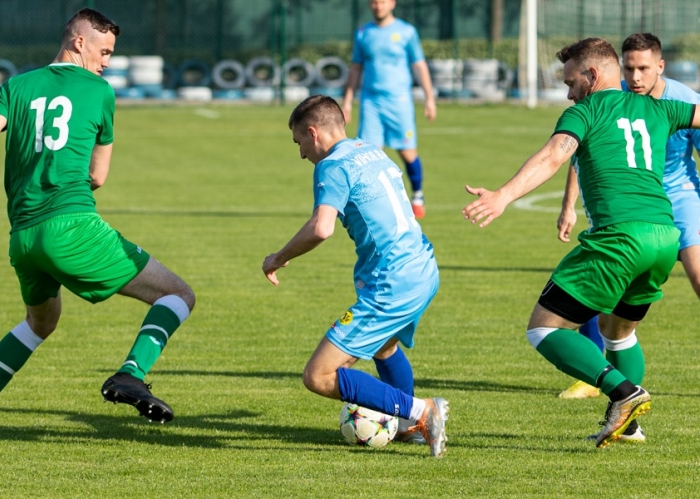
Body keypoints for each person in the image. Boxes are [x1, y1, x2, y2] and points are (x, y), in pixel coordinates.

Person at [0, 8, 195, 437]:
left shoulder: (16, 85)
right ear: (78, 42)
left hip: (23, 239)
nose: (107, 62)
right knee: (177, 294)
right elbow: (98, 176)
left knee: (40, 323)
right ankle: (130, 373)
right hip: (71, 226)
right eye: (104, 51)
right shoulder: (100, 91)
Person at [461, 37, 700, 448]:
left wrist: (503, 194)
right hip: (664, 237)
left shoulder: (585, 111)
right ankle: (628, 425)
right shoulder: (660, 107)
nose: (568, 92)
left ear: (592, 75)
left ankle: (624, 393)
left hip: (619, 238)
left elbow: (554, 155)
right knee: (618, 331)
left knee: (543, 329)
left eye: (571, 82)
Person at [262, 95, 448, 457]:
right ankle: (410, 426)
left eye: (299, 142)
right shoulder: (370, 149)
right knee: (385, 345)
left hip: (392, 281)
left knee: (318, 375)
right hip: (422, 268)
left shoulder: (332, 166)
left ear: (313, 133)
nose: (301, 153)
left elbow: (322, 227)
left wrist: (278, 257)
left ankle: (422, 411)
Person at [556, 33, 700, 421]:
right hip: (636, 209)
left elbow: (561, 149)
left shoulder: (680, 101)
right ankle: (614, 400)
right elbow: (578, 155)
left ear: (661, 67)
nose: (635, 77)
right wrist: (569, 204)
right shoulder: (611, 98)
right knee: (610, 315)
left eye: (643, 68)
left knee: (547, 325)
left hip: (677, 200)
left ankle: (617, 386)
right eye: (629, 68)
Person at [342, 0, 435, 219]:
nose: (378, 6)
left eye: (382, 1)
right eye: (374, 2)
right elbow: (356, 67)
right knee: (369, 154)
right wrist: (347, 100)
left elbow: (419, 65)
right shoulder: (363, 33)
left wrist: (429, 98)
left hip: (399, 101)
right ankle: (375, 203)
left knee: (407, 151)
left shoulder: (406, 32)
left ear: (392, 3)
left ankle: (418, 196)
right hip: (371, 102)